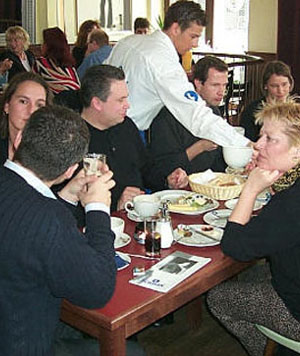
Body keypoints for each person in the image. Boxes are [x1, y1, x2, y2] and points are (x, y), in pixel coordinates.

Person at [0, 104, 117, 355]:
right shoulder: (48, 218)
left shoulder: (34, 205)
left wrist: (66, 196)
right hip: (22, 341)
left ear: (19, 138)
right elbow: (98, 290)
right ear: (70, 169)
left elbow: (24, 226)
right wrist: (97, 208)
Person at [207, 100, 300, 356]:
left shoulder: (292, 204)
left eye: (270, 138)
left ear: (297, 152)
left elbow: (235, 246)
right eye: (261, 135)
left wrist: (250, 189)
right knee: (250, 276)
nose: (257, 144)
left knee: (219, 298)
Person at [105, 0, 249, 148]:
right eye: (193, 36)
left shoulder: (127, 41)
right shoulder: (163, 62)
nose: (195, 44)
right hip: (125, 135)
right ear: (175, 28)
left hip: (101, 125)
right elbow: (195, 113)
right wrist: (242, 144)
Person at [80, 64, 158, 211]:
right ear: (97, 103)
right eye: (120, 100)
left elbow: (147, 169)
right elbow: (70, 204)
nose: (127, 105)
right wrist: (116, 204)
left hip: (139, 214)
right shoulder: (73, 138)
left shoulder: (126, 126)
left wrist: (169, 178)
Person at [149, 56, 228, 190]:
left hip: (207, 188)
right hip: (175, 192)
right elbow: (160, 169)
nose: (221, 92)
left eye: (224, 85)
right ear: (198, 83)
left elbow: (218, 162)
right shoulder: (170, 115)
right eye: (215, 85)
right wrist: (200, 146)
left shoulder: (213, 112)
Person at [0, 72, 52, 165]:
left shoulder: (53, 152)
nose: (31, 110)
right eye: (23, 101)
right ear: (7, 106)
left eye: (39, 105)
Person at [240, 60, 294, 142]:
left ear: (290, 83)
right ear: (265, 86)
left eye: (284, 84)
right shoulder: (251, 111)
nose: (281, 90)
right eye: (274, 86)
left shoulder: (296, 109)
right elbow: (248, 143)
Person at [34, 27, 80, 95]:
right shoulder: (70, 66)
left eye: (43, 42)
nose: (41, 45)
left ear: (48, 46)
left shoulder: (40, 64)